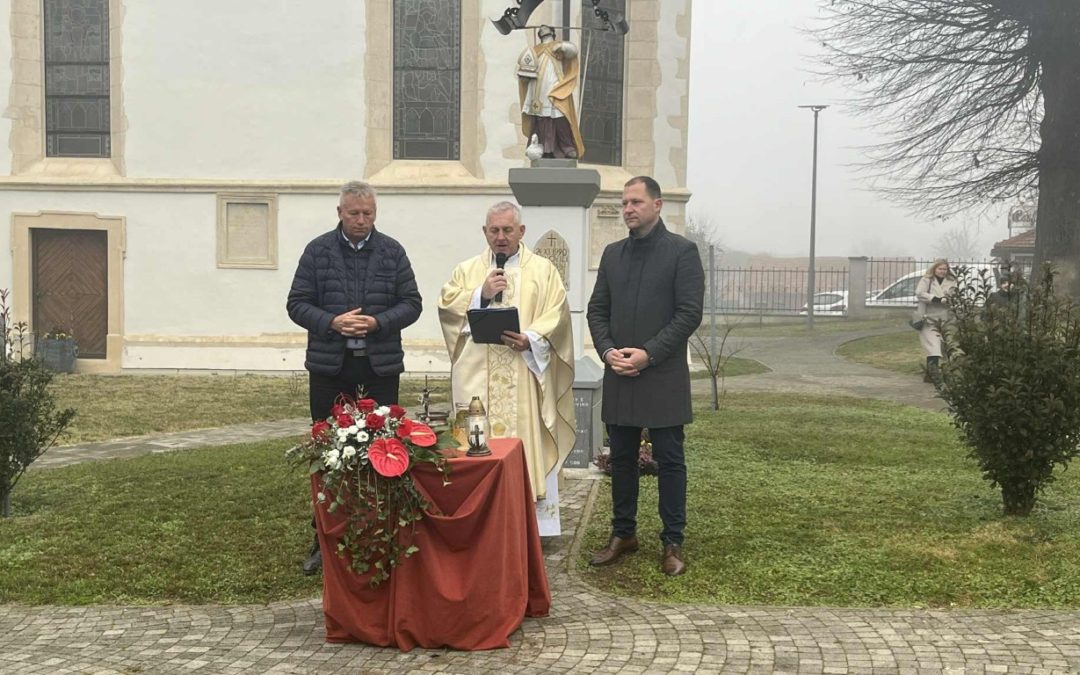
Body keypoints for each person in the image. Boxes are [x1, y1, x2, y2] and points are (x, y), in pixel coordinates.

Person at [286, 180, 423, 574]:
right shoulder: (318, 251)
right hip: (331, 370)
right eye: (354, 214)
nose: (361, 220)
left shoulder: (392, 251)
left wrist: (378, 322)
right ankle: (324, 539)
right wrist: (332, 321)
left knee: (385, 453)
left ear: (375, 213)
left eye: (368, 214)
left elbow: (412, 304)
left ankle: (380, 532)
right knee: (328, 455)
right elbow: (296, 304)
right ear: (340, 213)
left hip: (379, 369)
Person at [586, 176, 705, 577]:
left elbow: (688, 314)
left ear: (657, 205)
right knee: (621, 459)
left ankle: (672, 541)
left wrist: (648, 354)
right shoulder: (613, 254)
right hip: (620, 371)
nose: (628, 210)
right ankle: (624, 533)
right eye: (624, 204)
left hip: (663, 374)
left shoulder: (681, 253)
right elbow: (597, 310)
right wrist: (607, 352)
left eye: (635, 202)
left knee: (670, 459)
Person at [438, 201, 576, 535]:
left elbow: (557, 315)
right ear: (485, 232)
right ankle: (477, 520)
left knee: (524, 445)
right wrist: (479, 295)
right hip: (476, 379)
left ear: (521, 232)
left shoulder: (543, 271)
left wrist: (531, 338)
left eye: (507, 230)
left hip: (524, 375)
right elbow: (446, 306)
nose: (500, 237)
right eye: (494, 230)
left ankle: (527, 525)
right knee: (475, 443)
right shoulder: (467, 270)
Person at [517, 25, 586, 160]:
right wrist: (524, 76)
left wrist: (563, 47)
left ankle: (567, 147)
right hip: (537, 90)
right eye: (541, 29)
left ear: (553, 33)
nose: (543, 29)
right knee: (541, 119)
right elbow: (524, 70)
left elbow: (573, 51)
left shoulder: (558, 46)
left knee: (561, 115)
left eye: (546, 28)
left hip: (556, 87)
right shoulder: (535, 50)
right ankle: (545, 147)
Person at [915, 259, 956, 384]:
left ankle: (935, 374)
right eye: (940, 269)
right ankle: (933, 374)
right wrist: (934, 298)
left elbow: (954, 295)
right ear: (934, 269)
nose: (942, 271)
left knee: (946, 347)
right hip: (928, 319)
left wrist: (948, 299)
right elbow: (919, 293)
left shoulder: (952, 281)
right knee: (933, 347)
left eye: (945, 269)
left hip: (944, 318)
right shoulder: (926, 280)